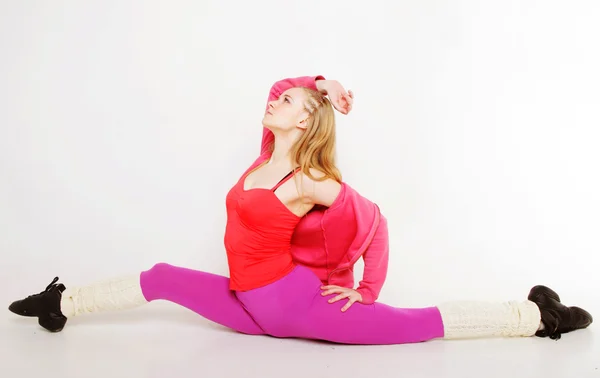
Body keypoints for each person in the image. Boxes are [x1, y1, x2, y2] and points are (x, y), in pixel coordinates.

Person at [8, 75, 593, 344]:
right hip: (247, 301)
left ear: (305, 120)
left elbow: (376, 222)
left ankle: (539, 317)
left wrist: (367, 291)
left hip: (293, 309)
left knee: (418, 324)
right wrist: (317, 81)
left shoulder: (309, 179)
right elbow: (290, 86)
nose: (274, 99)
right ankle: (59, 304)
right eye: (276, 96)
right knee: (161, 277)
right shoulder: (264, 156)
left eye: (286, 101)